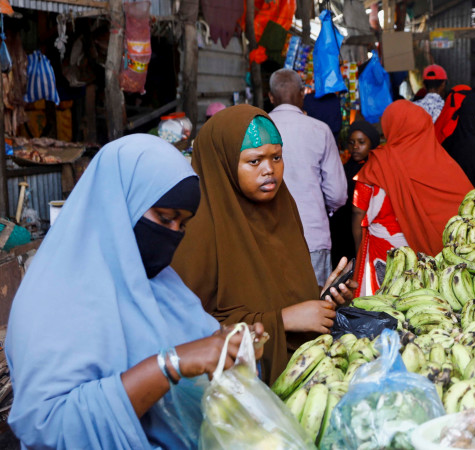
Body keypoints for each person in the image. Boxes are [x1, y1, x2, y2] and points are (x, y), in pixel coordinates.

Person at [6, 134, 266, 449]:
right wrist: (168, 365)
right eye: (165, 218)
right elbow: (47, 426)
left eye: (182, 225)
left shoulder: (161, 284)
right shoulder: (51, 299)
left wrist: (232, 351)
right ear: (119, 205)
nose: (173, 235)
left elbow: (199, 353)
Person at [172, 105, 357, 384]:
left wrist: (323, 299)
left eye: (277, 157)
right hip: (240, 394)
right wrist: (282, 320)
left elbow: (280, 291)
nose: (269, 170)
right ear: (222, 163)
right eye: (254, 161)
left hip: (305, 371)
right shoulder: (196, 230)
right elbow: (188, 332)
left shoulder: (283, 207)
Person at [352, 100, 473, 296]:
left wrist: (357, 250)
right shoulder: (446, 165)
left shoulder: (378, 166)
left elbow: (359, 210)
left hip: (385, 256)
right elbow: (467, 206)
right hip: (434, 266)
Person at [267, 69, 348, 286]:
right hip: (312, 234)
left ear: (271, 97)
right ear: (302, 93)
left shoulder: (256, 131)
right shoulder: (320, 130)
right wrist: (325, 209)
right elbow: (338, 194)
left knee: (274, 311)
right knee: (316, 305)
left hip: (266, 236)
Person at [330, 120, 380, 265]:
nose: (355, 147)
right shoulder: (343, 168)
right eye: (351, 142)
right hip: (342, 233)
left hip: (367, 231)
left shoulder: (376, 170)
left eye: (361, 142)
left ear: (372, 143)